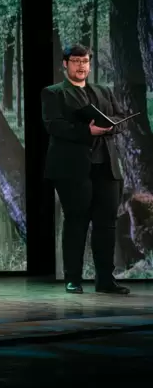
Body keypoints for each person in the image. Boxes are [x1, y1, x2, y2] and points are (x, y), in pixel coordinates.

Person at [41, 44, 130, 295]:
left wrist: (113, 127)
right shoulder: (53, 92)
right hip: (72, 168)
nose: (82, 66)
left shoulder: (103, 91)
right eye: (76, 61)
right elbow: (53, 126)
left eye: (86, 61)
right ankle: (73, 279)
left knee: (106, 224)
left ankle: (105, 280)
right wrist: (86, 131)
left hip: (106, 166)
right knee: (76, 222)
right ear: (65, 64)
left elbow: (120, 118)